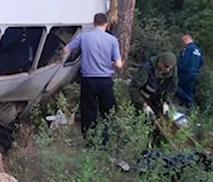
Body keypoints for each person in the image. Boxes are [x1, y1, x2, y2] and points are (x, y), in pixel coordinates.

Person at [63, 13, 123, 141]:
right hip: (105, 81)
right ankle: (107, 139)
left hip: (88, 80)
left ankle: (89, 140)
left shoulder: (84, 37)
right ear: (106, 24)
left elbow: (66, 49)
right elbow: (119, 64)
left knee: (88, 111)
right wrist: (110, 63)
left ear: (94, 23)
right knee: (108, 111)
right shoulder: (112, 40)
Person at [128, 52, 178, 119]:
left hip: (158, 100)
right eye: (166, 66)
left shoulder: (173, 71)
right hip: (142, 99)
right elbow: (133, 89)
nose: (168, 70)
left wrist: (166, 102)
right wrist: (143, 105)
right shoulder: (146, 70)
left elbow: (172, 87)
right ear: (160, 61)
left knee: (165, 118)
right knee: (141, 119)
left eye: (170, 67)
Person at [176, 33, 204, 110]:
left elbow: (183, 61)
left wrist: (178, 68)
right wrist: (195, 68)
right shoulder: (198, 50)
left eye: (183, 41)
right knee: (188, 90)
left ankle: (187, 100)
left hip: (185, 72)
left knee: (175, 87)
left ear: (186, 39)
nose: (182, 43)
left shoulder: (187, 49)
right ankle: (191, 109)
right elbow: (202, 62)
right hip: (194, 73)